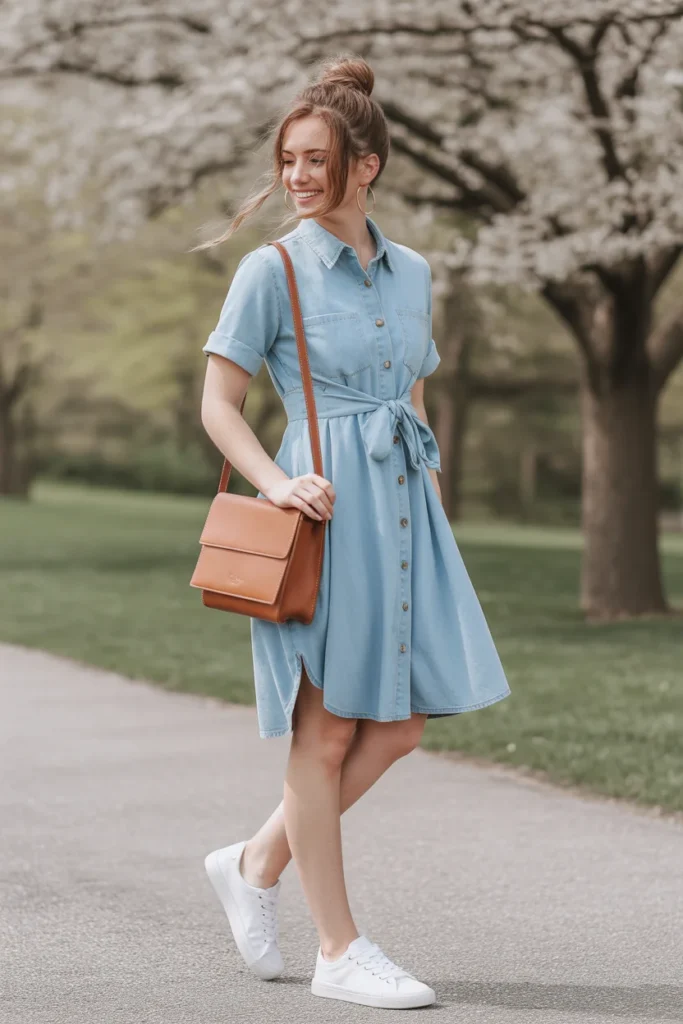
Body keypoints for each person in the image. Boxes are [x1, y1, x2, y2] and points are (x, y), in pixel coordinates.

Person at [197, 54, 511, 1010]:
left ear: (365, 166)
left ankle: (254, 862)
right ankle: (337, 951)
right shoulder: (272, 269)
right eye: (287, 159)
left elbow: (411, 394)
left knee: (401, 725)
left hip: (404, 512)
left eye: (315, 160)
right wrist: (277, 483)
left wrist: (432, 514)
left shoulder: (414, 271)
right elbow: (217, 403)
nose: (296, 176)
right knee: (327, 728)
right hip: (321, 514)